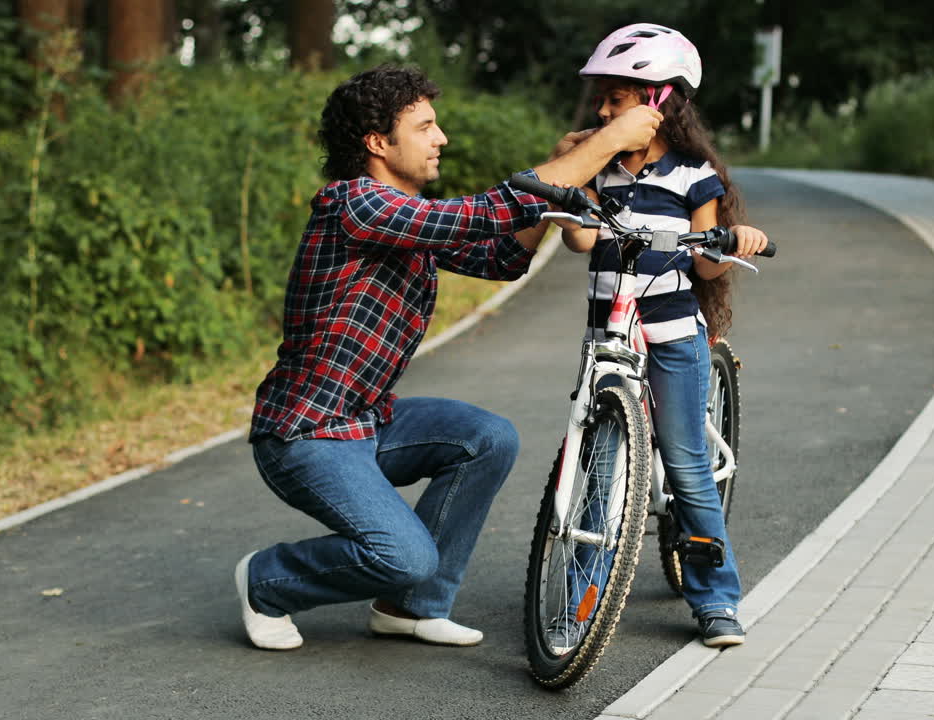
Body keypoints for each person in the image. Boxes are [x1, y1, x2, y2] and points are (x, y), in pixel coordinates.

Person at [236, 63, 662, 651]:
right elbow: (486, 213)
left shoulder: (403, 221)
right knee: (404, 553)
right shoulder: (356, 205)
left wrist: (569, 183)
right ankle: (268, 581)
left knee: (488, 437)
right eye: (426, 126)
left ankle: (410, 606)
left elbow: (501, 258)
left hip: (369, 423)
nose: (442, 139)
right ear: (378, 143)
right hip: (307, 435)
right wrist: (609, 141)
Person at [553, 24, 770, 648]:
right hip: (609, 334)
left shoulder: (694, 175)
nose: (601, 109)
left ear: (654, 101)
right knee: (599, 468)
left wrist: (735, 241)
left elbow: (704, 264)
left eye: (614, 98)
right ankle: (581, 600)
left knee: (687, 465)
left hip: (672, 334)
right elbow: (581, 239)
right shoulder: (601, 162)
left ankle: (716, 601)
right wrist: (576, 187)